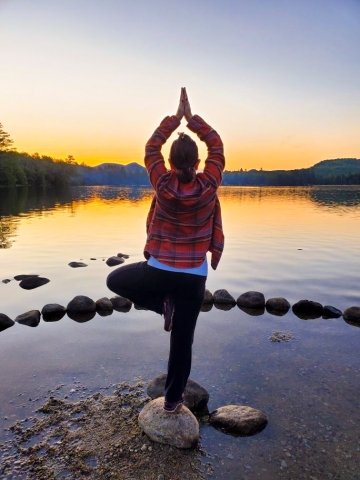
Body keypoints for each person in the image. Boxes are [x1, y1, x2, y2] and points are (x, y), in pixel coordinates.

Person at [106, 88, 225, 413]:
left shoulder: (162, 183)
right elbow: (216, 144)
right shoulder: (209, 185)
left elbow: (150, 147)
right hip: (193, 276)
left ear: (169, 163)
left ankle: (161, 305)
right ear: (198, 163)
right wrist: (192, 120)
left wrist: (175, 119)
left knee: (115, 281)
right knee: (182, 341)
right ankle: (173, 401)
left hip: (159, 270)